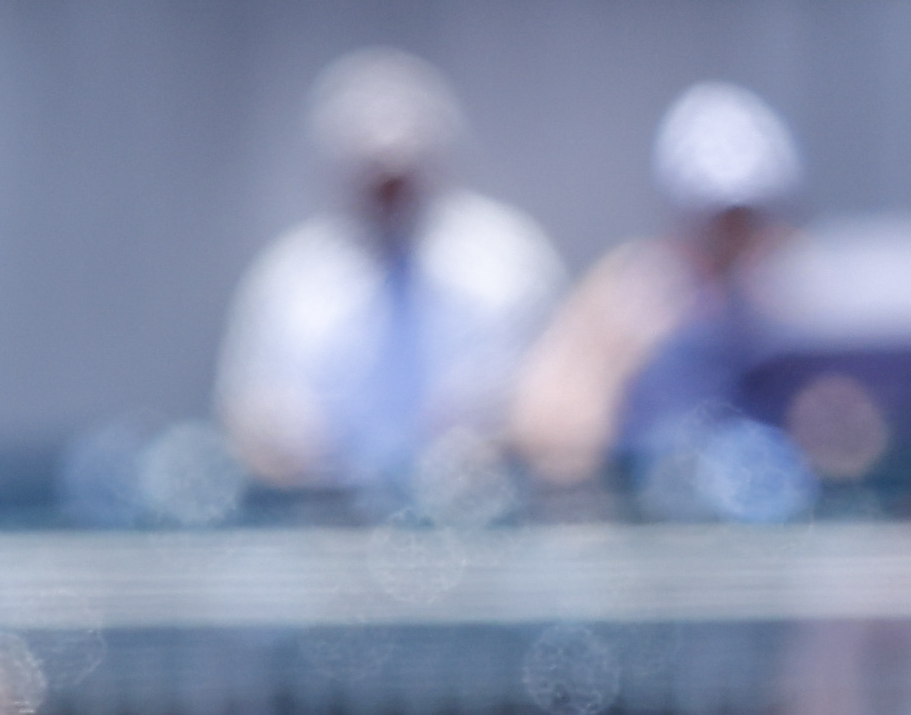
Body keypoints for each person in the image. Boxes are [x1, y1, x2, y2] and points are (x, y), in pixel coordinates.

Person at [212, 49, 563, 501]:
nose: (389, 189)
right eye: (372, 171)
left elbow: (558, 406)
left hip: (479, 515)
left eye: (402, 170)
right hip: (327, 525)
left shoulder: (511, 261)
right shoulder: (289, 279)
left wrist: (495, 443)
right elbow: (246, 411)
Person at [513, 82, 810, 496]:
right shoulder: (626, 293)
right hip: (653, 532)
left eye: (746, 217)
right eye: (717, 218)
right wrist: (625, 356)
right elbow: (547, 429)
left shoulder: (802, 303)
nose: (732, 236)